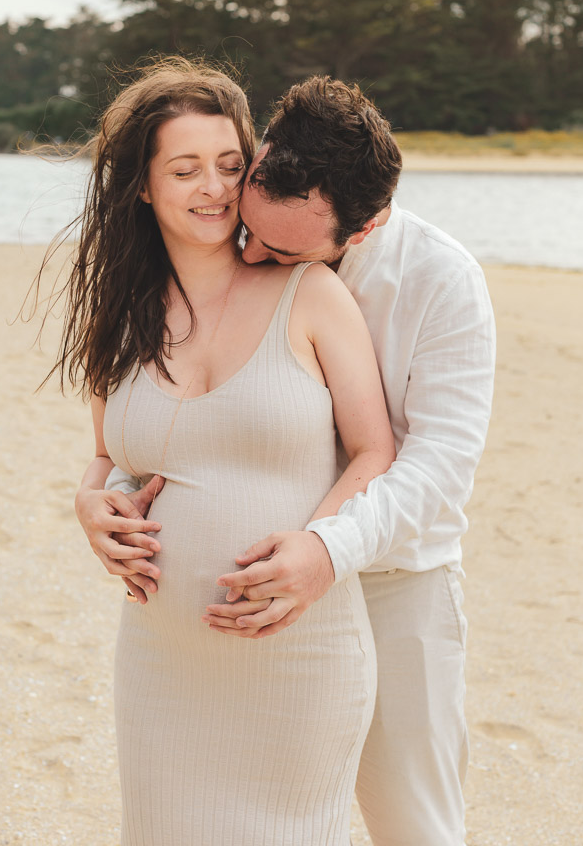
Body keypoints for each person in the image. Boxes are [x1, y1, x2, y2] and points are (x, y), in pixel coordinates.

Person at [101, 75, 496, 846]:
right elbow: (187, 423)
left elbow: (437, 467)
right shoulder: (235, 253)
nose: (248, 250)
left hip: (394, 585)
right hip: (239, 614)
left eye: (278, 247)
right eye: (248, 223)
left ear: (363, 228)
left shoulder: (442, 284)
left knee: (413, 822)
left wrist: (325, 549)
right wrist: (104, 488)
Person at [66, 58, 395, 846]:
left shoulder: (310, 294)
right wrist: (88, 502)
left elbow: (373, 451)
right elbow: (105, 456)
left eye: (229, 165)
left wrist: (316, 547)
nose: (213, 187)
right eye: (185, 169)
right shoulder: (124, 315)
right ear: (143, 186)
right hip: (161, 661)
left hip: (295, 649)